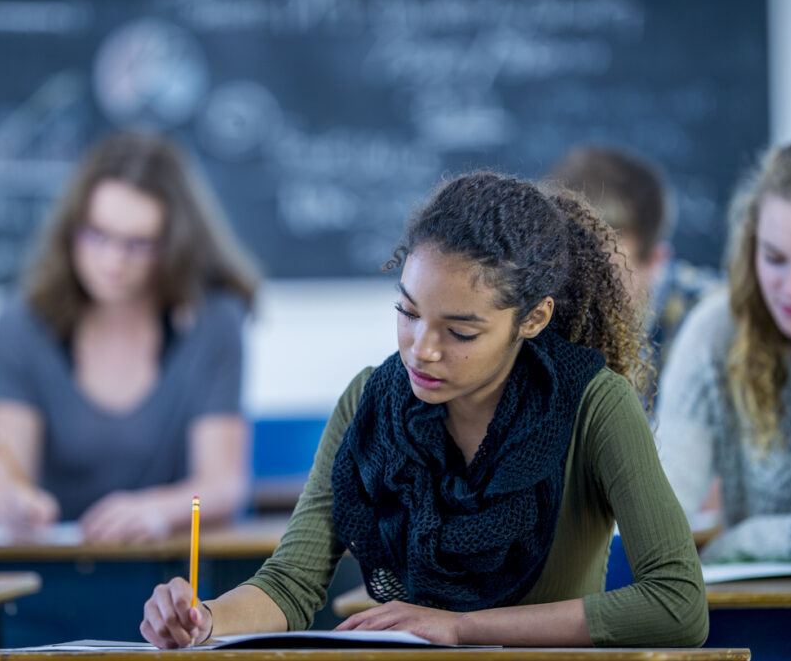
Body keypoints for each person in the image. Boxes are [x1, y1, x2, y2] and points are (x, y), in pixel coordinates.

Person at [141, 173, 708, 647]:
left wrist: (463, 629)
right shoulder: (368, 401)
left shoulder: (592, 402)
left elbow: (678, 605)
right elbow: (292, 583)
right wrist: (205, 619)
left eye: (461, 331)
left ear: (532, 320)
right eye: (408, 313)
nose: (422, 349)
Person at [0, 130, 259, 544]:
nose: (113, 261)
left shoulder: (214, 321)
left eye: (138, 245)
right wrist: (14, 505)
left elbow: (223, 484)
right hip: (54, 568)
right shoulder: (20, 323)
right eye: (97, 235)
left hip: (173, 569)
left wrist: (156, 511)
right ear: (71, 228)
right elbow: (3, 484)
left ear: (173, 245)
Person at [657, 143, 791, 563]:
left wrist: (742, 543)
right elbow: (661, 516)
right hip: (760, 613)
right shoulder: (715, 332)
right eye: (774, 259)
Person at [551, 145, 720, 378]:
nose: (573, 288)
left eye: (600, 274)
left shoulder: (716, 322)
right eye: (562, 264)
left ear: (656, 259)